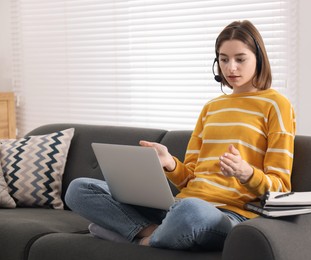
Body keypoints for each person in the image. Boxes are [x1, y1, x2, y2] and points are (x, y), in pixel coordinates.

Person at [65, 20, 296, 251]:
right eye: (223, 59)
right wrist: (169, 164)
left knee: (191, 211)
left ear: (259, 58)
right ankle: (151, 234)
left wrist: (246, 173)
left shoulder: (276, 105)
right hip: (179, 206)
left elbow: (281, 189)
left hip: (227, 215)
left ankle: (135, 237)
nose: (231, 68)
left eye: (240, 59)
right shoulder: (211, 108)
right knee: (79, 189)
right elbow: (190, 178)